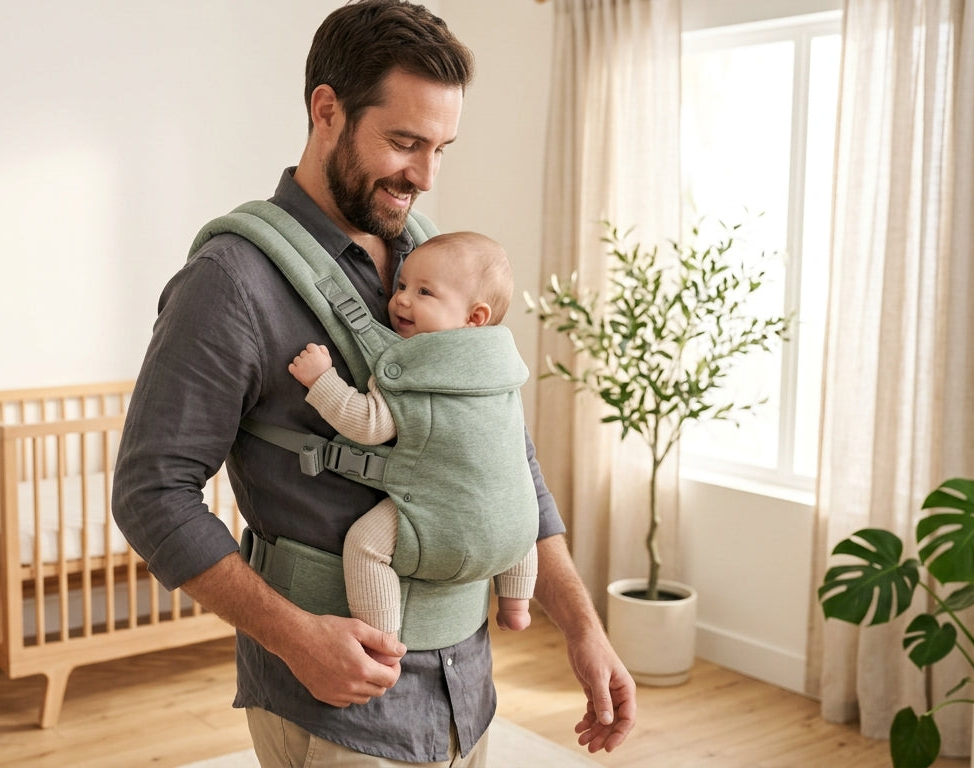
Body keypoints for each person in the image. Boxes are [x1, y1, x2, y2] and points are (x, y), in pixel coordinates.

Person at [112, 1, 636, 764]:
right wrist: (297, 638)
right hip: (337, 704)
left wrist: (582, 627)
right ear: (327, 110)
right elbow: (150, 491)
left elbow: (503, 455)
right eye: (403, 142)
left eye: (441, 148)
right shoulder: (230, 283)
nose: (423, 176)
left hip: (469, 683)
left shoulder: (438, 266)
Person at [286, 232, 538, 639]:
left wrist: (322, 381)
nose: (402, 299)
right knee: (519, 513)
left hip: (440, 513)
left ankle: (381, 633)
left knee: (365, 547)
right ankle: (516, 603)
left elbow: (368, 424)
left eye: (424, 292)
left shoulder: (415, 365)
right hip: (510, 519)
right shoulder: (503, 368)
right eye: (402, 285)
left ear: (475, 317)